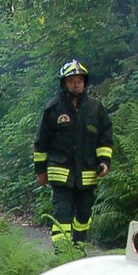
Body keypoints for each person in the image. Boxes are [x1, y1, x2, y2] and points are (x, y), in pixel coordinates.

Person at [33, 59, 114, 250]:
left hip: (87, 173)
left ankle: (78, 250)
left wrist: (104, 161)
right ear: (64, 84)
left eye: (79, 81)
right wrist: (40, 171)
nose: (75, 85)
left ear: (85, 83)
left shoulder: (96, 109)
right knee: (63, 212)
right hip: (60, 173)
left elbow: (105, 137)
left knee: (84, 215)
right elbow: (41, 142)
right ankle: (62, 254)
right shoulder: (53, 108)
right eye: (71, 81)